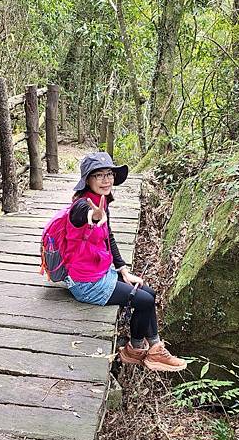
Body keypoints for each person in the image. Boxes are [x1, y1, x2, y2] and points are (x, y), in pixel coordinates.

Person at [63, 152, 186, 371]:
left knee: (149, 293)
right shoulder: (81, 207)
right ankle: (140, 349)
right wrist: (95, 216)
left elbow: (108, 236)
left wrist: (122, 270)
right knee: (145, 301)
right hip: (86, 283)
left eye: (109, 174)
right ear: (87, 180)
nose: (106, 180)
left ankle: (146, 348)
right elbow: (86, 216)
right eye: (99, 175)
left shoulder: (102, 202)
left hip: (101, 273)